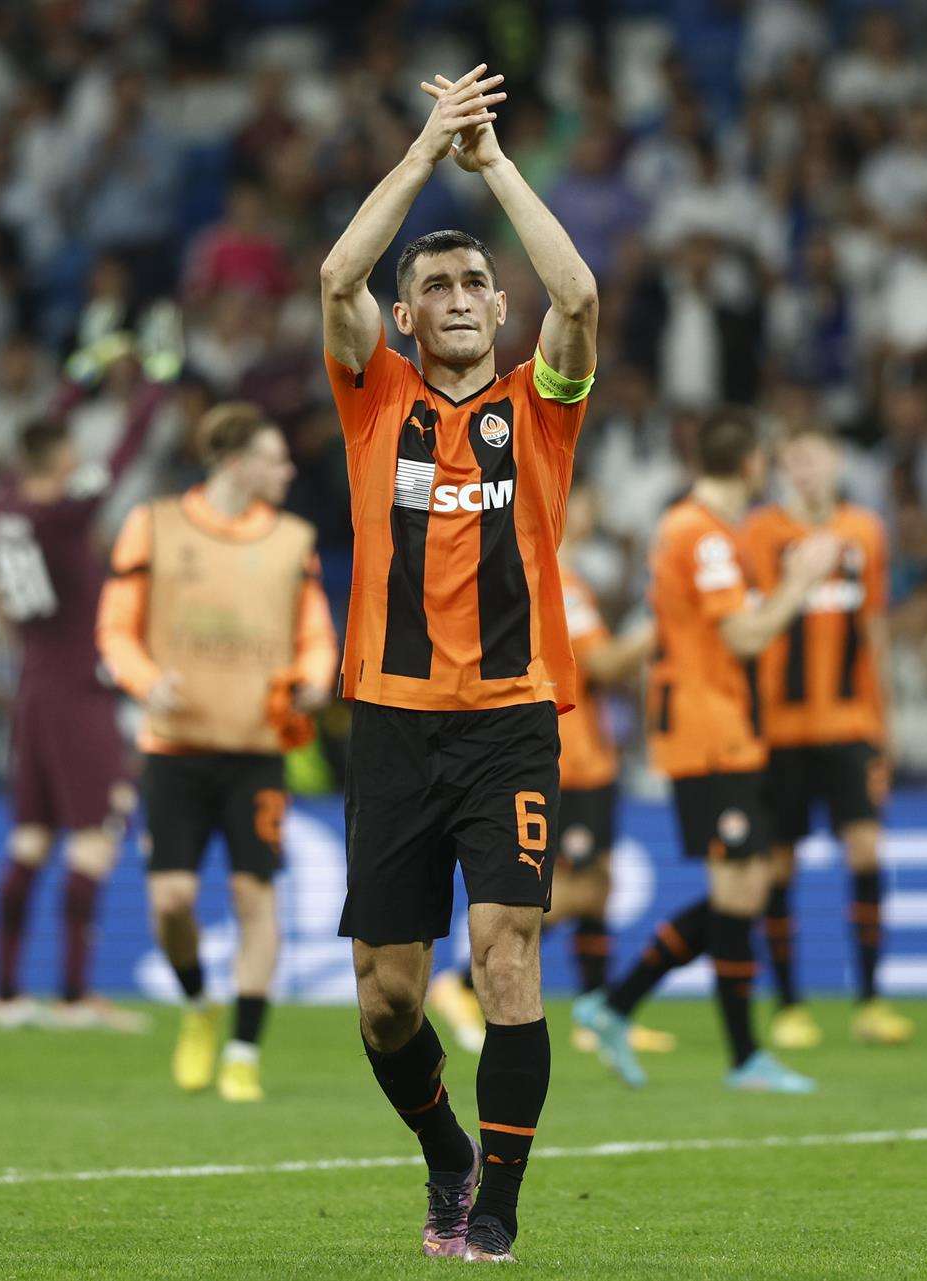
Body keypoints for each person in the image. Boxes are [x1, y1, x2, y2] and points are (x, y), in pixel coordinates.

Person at [317, 64, 597, 1264]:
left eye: (478, 279)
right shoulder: (374, 399)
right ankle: (446, 1159)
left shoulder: (541, 406)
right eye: (438, 285)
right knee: (387, 998)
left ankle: (498, 1209)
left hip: (510, 718)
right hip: (388, 719)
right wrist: (427, 150)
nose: (467, 294)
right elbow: (336, 275)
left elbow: (578, 291)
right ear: (409, 320)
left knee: (506, 953)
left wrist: (496, 171)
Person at [576, 411, 842, 1094]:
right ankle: (741, 1055)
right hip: (704, 728)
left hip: (725, 724)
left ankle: (617, 1004)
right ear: (753, 463)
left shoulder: (702, 529)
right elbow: (746, 637)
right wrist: (800, 583)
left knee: (744, 888)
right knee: (738, 888)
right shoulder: (700, 533)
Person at [97, 403, 336, 1101]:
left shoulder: (293, 539)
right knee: (171, 901)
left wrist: (317, 679)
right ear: (236, 462)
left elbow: (316, 634)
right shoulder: (156, 524)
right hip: (174, 746)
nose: (288, 469)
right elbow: (114, 629)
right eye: (275, 457)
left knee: (252, 893)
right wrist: (146, 681)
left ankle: (243, 1048)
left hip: (257, 746)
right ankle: (199, 1002)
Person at [426, 556, 668, 1058]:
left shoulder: (542, 577)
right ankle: (461, 985)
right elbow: (603, 664)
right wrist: (661, 620)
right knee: (578, 888)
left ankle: (595, 1011)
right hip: (570, 757)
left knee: (597, 887)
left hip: (589, 757)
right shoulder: (560, 583)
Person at [740, 427, 914, 1051]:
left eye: (815, 458)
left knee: (866, 852)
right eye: (794, 459)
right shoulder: (761, 533)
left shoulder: (864, 531)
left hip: (850, 726)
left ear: (838, 464)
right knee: (779, 864)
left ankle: (870, 1000)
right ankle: (789, 1005)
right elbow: (747, 626)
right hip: (781, 731)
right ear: (781, 469)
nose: (806, 469)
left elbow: (875, 630)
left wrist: (886, 725)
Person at [0, 411, 151, 1034]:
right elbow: (116, 467)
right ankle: (75, 996)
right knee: (93, 840)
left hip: (33, 691)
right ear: (57, 462)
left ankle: (4, 994)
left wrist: (79, 385)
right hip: (78, 693)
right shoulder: (57, 518)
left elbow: (39, 443)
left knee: (30, 839)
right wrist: (152, 393)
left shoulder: (6, 507)